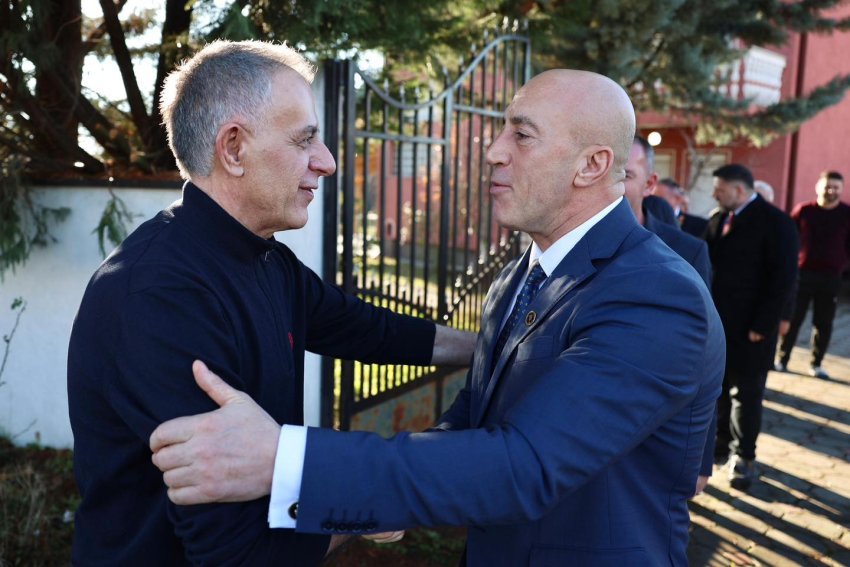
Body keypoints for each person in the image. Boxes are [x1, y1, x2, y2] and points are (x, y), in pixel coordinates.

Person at [150, 69, 725, 566]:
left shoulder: (655, 295)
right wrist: (380, 495)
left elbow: (525, 466)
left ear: (592, 165)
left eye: (521, 135)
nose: (494, 151)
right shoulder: (520, 274)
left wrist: (287, 461)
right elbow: (474, 421)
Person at [67, 40, 474, 565]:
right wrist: (374, 499)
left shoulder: (264, 258)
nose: (327, 162)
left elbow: (365, 329)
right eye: (305, 140)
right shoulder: (162, 298)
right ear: (234, 148)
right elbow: (241, 553)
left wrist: (488, 347)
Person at [624, 135, 714, 495]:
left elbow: (703, 355)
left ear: (649, 184)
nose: (609, 186)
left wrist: (701, 455)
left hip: (656, 437)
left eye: (624, 175)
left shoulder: (685, 252)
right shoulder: (564, 246)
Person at [704, 164, 798, 491]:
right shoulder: (718, 219)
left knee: (746, 393)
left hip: (752, 329)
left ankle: (744, 456)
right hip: (717, 326)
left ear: (739, 190)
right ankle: (720, 442)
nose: (714, 194)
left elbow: (783, 280)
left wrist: (764, 324)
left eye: (720, 189)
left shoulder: (776, 223)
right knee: (717, 389)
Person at [776, 170, 850, 379]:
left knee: (824, 323)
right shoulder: (804, 211)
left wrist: (842, 265)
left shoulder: (847, 214)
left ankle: (816, 364)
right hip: (802, 275)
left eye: (835, 187)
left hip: (831, 278)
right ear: (818, 187)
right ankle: (782, 359)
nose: (831, 191)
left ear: (841, 190)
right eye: (827, 186)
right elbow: (789, 239)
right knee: (793, 318)